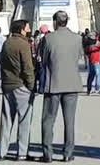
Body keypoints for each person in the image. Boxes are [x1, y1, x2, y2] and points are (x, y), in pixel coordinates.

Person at [39, 10, 82, 163]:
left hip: (54, 84)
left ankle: (47, 153)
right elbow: (78, 57)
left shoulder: (48, 38)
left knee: (48, 120)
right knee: (69, 121)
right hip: (72, 84)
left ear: (55, 22)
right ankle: (68, 153)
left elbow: (43, 60)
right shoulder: (77, 38)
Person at [0, 20, 37, 161]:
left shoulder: (6, 43)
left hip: (7, 84)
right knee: (24, 120)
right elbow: (27, 67)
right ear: (22, 29)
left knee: (6, 119)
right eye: (27, 27)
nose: (29, 30)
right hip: (21, 85)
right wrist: (31, 85)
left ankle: (2, 151)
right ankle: (21, 152)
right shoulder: (23, 44)